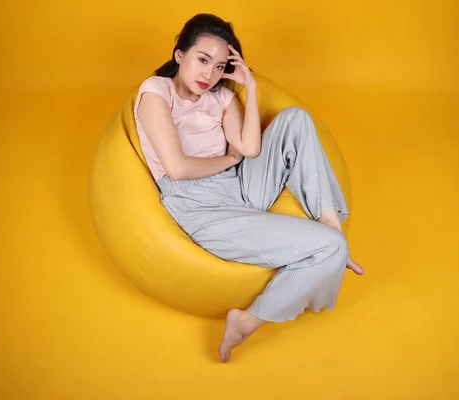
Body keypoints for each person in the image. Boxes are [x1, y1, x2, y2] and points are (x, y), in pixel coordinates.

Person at [134, 13, 365, 363]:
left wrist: (250, 86)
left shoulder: (222, 97)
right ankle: (249, 319)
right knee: (332, 248)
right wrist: (227, 161)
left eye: (219, 66)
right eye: (202, 60)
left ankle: (329, 221)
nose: (208, 75)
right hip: (200, 205)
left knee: (296, 119)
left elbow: (250, 149)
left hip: (242, 187)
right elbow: (178, 168)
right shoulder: (156, 92)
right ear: (179, 55)